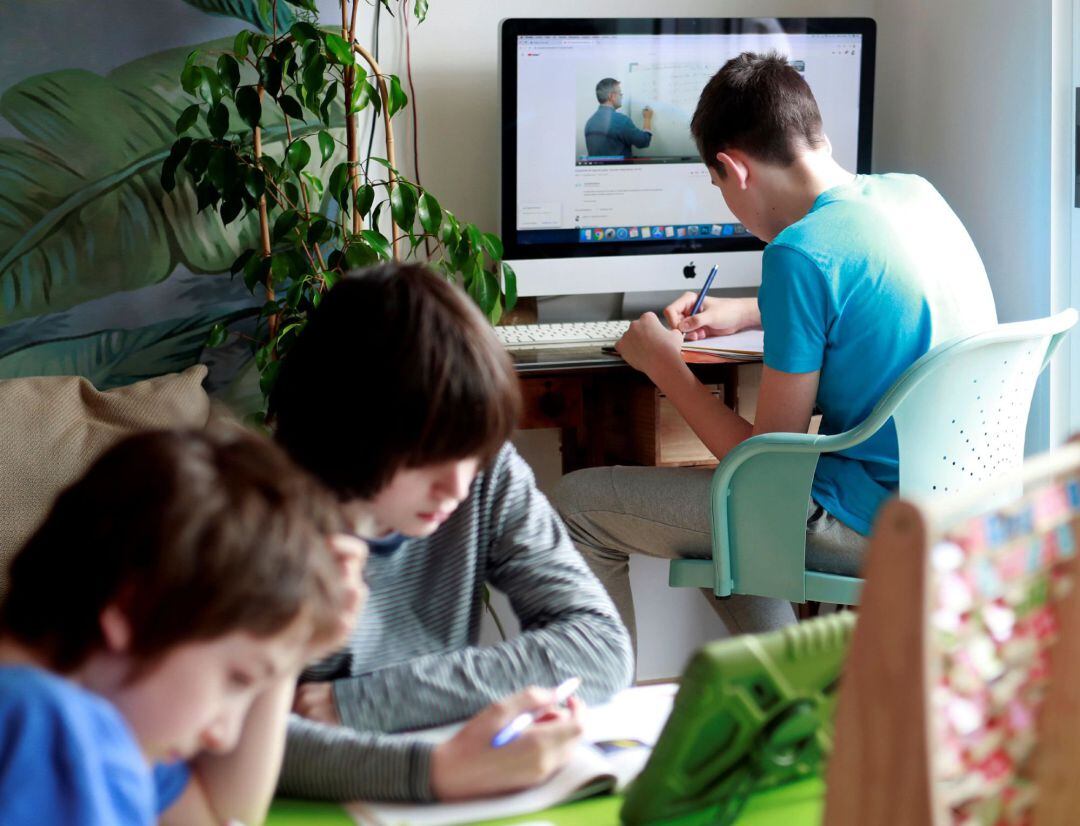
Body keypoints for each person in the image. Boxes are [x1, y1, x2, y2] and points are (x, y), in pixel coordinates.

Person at [555, 51, 998, 647]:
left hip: (867, 523)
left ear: (733, 170)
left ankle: (599, 720)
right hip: (961, 510)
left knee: (577, 505)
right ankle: (781, 707)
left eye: (718, 188)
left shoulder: (796, 253)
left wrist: (664, 365)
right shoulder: (913, 196)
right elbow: (873, 291)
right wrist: (749, 310)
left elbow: (763, 471)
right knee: (716, 516)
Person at [270, 263, 634, 803]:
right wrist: (441, 771)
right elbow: (232, 736)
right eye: (431, 457)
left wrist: (368, 702)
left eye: (473, 455)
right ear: (351, 429)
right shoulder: (257, 520)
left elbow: (600, 647)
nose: (459, 487)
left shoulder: (485, 472)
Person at [0, 427, 362, 825]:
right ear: (134, 608)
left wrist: (290, 644)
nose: (222, 736)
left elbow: (218, 817)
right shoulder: (48, 727)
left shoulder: (111, 715)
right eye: (237, 679)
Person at [584, 77, 653, 157]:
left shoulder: (590, 122)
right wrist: (647, 119)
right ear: (611, 97)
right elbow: (643, 142)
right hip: (619, 169)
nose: (621, 96)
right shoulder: (621, 121)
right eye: (620, 93)